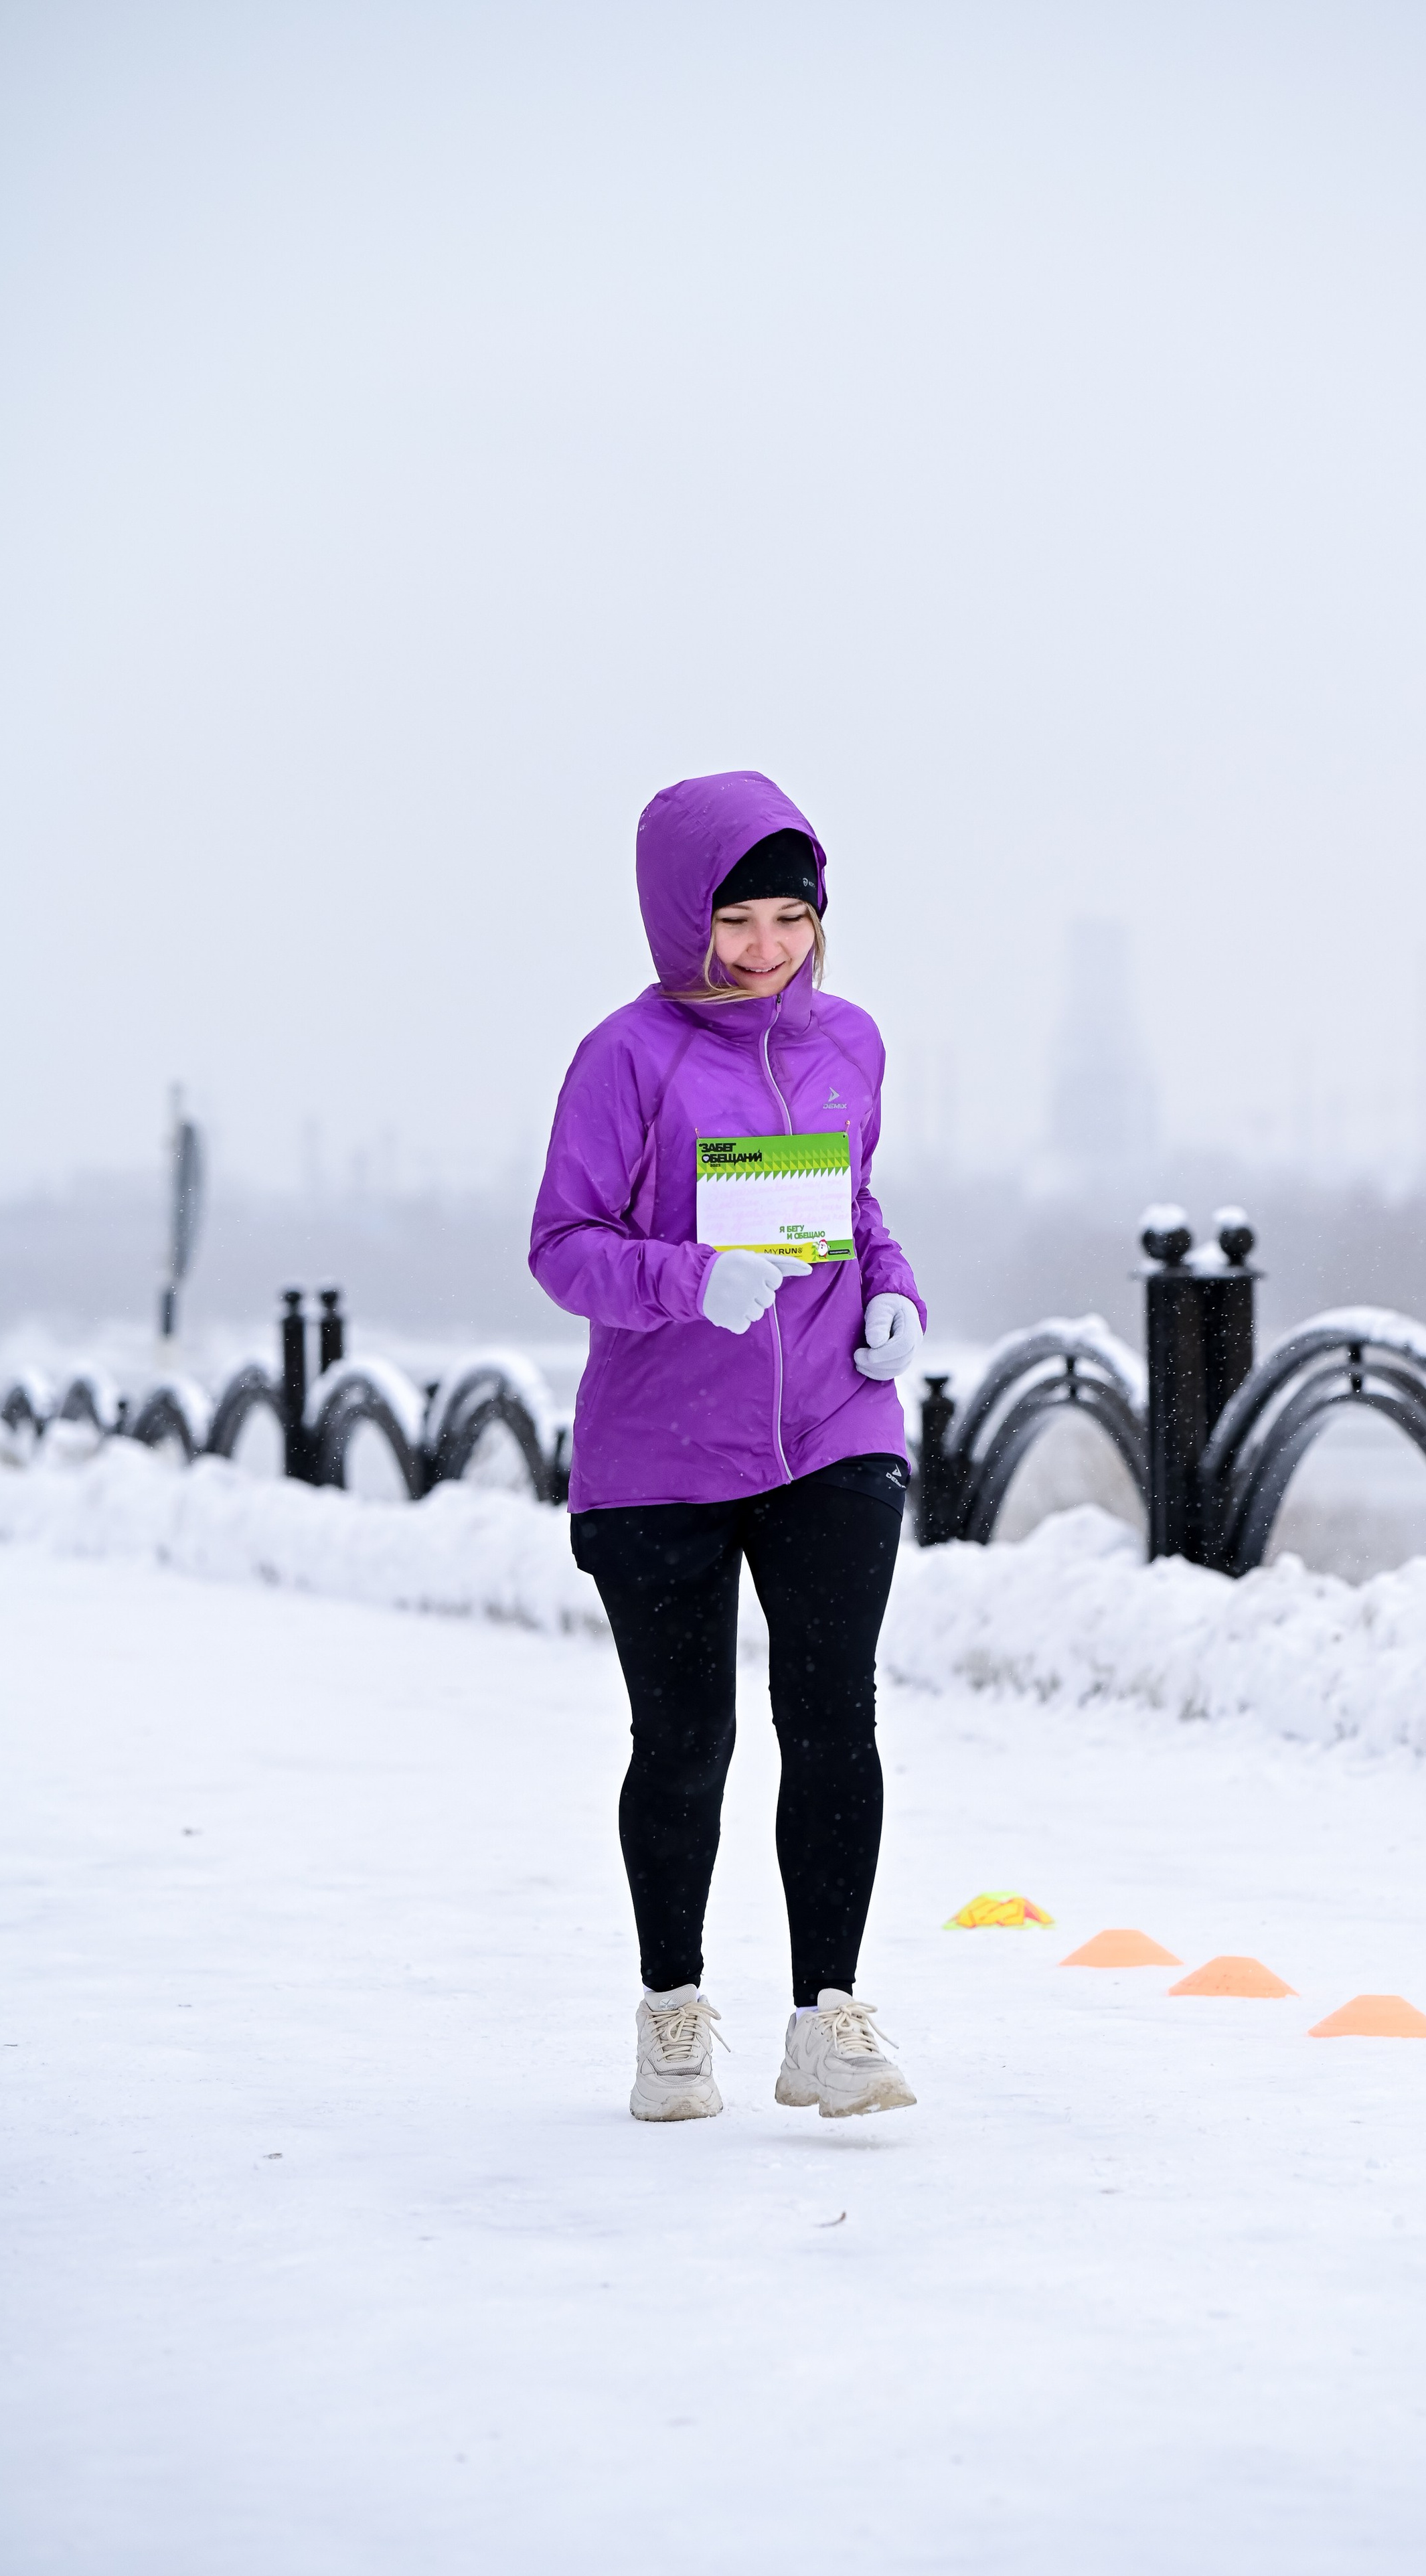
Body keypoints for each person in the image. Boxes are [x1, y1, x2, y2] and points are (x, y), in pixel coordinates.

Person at [530, 770, 926, 2123]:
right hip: (660, 1453)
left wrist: (890, 1289)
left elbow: (855, 1201)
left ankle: (827, 2018)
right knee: (684, 1741)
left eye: (787, 919)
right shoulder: (625, 1059)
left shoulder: (849, 1042)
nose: (762, 949)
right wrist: (688, 1280)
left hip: (831, 1426)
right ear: (677, 918)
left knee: (831, 1721)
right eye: (734, 921)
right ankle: (672, 2012)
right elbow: (563, 1246)